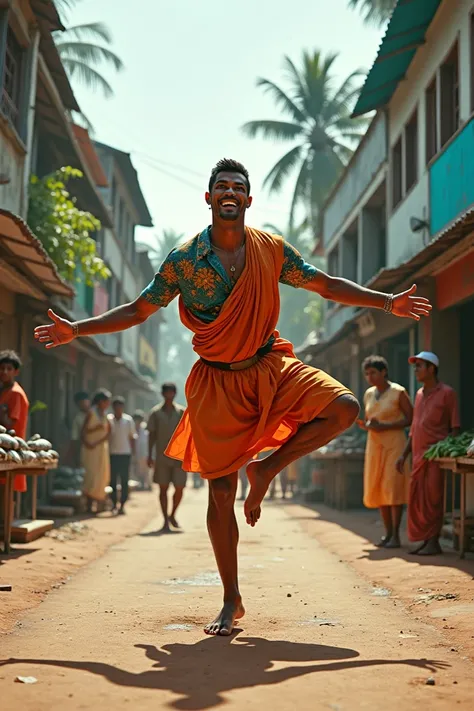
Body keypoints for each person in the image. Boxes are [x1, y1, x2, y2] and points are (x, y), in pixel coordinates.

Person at [33, 157, 432, 635]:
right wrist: (76, 328)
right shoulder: (183, 260)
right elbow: (139, 310)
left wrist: (387, 301)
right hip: (217, 382)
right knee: (221, 494)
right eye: (220, 185)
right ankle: (231, 598)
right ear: (209, 198)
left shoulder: (270, 250)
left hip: (270, 365)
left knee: (344, 407)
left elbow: (325, 284)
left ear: (247, 199)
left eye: (237, 186)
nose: (228, 191)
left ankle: (265, 468)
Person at [396, 352, 460, 556]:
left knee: (433, 499)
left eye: (419, 366)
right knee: (416, 500)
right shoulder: (419, 394)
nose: (415, 370)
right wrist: (404, 454)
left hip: (435, 456)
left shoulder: (447, 393)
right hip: (417, 456)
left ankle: (434, 541)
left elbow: (455, 427)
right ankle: (425, 541)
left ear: (431, 368)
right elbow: (414, 428)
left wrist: (446, 451)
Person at [357, 355, 413, 549]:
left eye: (373, 372)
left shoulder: (398, 392)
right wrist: (367, 425)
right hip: (374, 445)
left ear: (384, 372)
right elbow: (370, 418)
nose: (370, 377)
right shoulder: (369, 394)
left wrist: (386, 425)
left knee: (393, 488)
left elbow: (410, 419)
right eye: (367, 373)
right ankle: (387, 533)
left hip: (395, 444)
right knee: (379, 486)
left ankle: (396, 535)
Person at [147, 384, 186, 531]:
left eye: (171, 392)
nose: (169, 395)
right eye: (167, 392)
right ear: (163, 394)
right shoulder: (155, 413)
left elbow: (188, 435)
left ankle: (172, 514)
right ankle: (164, 519)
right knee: (163, 488)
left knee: (180, 487)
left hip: (179, 457)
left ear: (175, 394)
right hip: (161, 457)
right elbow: (151, 435)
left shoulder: (182, 412)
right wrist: (149, 455)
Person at [0, 350, 29, 497]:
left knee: (6, 494)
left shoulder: (15, 393)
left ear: (16, 372)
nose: (4, 372)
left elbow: (10, 425)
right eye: (2, 368)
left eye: (9, 369)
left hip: (10, 451)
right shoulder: (4, 391)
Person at [81, 389, 111, 514]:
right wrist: (90, 440)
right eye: (105, 401)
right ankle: (89, 505)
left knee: (101, 475)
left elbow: (109, 432)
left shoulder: (105, 415)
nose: (107, 404)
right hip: (89, 449)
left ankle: (98, 504)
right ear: (99, 401)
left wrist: (98, 441)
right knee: (90, 475)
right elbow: (83, 431)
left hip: (101, 449)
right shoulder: (91, 413)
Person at [108, 397, 136, 515]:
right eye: (116, 407)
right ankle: (114, 503)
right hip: (112, 454)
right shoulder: (109, 420)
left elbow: (132, 437)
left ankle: (122, 504)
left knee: (124, 481)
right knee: (112, 480)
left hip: (125, 453)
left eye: (120, 407)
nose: (118, 409)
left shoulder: (128, 420)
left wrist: (133, 452)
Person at [68, 391, 90, 467]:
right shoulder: (78, 418)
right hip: (86, 449)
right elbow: (75, 438)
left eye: (84, 402)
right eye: (80, 403)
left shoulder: (96, 414)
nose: (83, 405)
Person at [132, 410, 151, 490]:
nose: (137, 422)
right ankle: (139, 484)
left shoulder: (145, 428)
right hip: (135, 452)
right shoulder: (131, 427)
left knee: (145, 470)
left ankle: (146, 484)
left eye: (139, 420)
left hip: (144, 452)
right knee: (137, 470)